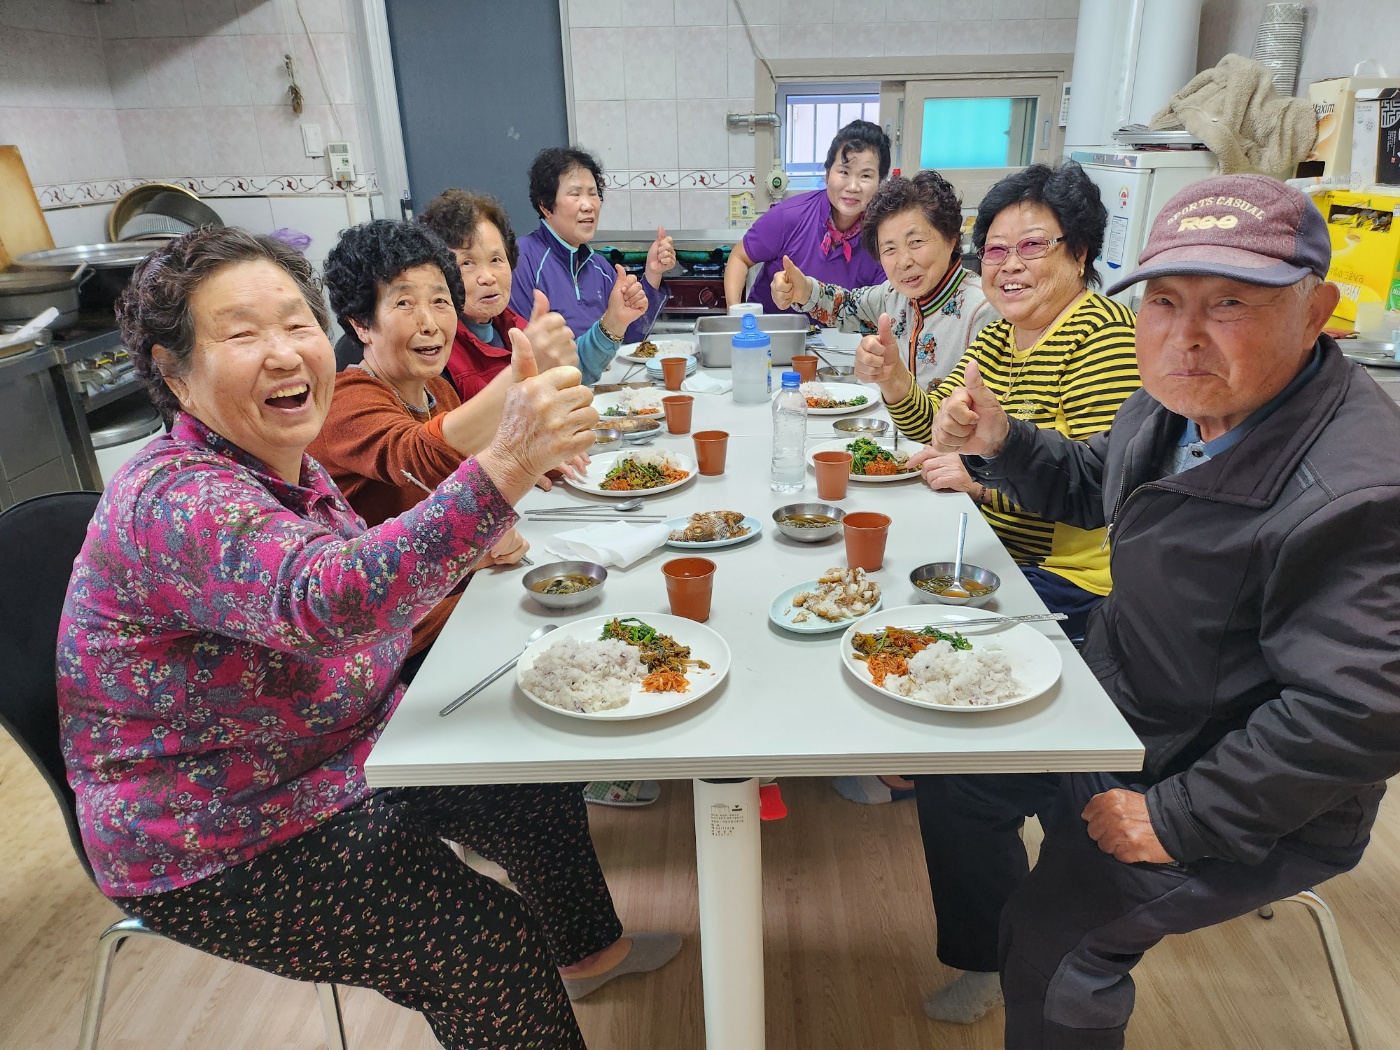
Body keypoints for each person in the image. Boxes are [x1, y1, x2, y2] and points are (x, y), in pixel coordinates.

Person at [57, 227, 679, 1050]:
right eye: (242, 334)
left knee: (530, 788)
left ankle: (590, 953)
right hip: (224, 826)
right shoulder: (175, 497)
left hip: (340, 747)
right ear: (173, 371)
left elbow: (358, 591)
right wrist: (512, 460)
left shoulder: (285, 465)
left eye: (294, 323)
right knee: (484, 947)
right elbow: (332, 601)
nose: (282, 353)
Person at [924, 173, 1400, 1048]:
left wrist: (1179, 817)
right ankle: (984, 948)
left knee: (1056, 944)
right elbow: (1091, 484)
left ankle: (1029, 956)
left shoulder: (1357, 489)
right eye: (1167, 301)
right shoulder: (1179, 402)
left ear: (1318, 310)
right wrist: (1002, 440)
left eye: (1230, 303)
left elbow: (1359, 712)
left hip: (1229, 782)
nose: (1185, 337)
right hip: (1125, 704)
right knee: (958, 773)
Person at [839, 162, 1140, 814]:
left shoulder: (1102, 333)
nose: (1009, 265)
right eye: (997, 250)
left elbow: (1097, 494)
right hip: (1004, 560)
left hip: (1074, 590)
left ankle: (952, 789)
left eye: (1033, 245)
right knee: (873, 596)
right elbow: (938, 430)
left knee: (958, 769)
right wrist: (895, 380)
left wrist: (986, 466)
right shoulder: (1005, 336)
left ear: (1080, 250)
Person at [770, 168, 997, 391]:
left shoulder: (984, 311)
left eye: (916, 242)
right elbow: (846, 305)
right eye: (889, 249)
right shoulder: (893, 296)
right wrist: (804, 291)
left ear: (951, 239)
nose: (903, 262)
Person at [421, 187, 649, 395]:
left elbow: (569, 372)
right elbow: (459, 436)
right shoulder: (435, 352)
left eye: (496, 259)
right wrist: (529, 374)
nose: (488, 277)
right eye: (467, 263)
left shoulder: (510, 324)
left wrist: (614, 321)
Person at [511, 146, 670, 361]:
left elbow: (629, 341)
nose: (588, 205)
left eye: (593, 193)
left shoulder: (600, 267)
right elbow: (523, 353)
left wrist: (653, 273)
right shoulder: (521, 261)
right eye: (575, 194)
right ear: (546, 207)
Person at [725, 119, 890, 316]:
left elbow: (882, 306)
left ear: (880, 182)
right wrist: (734, 318)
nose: (853, 187)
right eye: (844, 172)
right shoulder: (789, 216)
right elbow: (739, 256)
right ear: (828, 174)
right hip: (770, 335)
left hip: (842, 342)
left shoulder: (883, 239)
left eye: (865, 176)